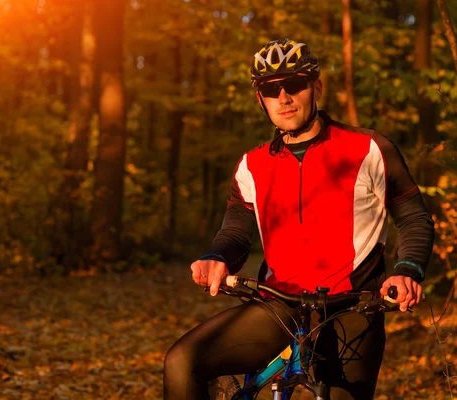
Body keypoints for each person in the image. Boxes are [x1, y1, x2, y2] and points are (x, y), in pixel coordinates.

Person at [163, 38, 435, 400]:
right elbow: (236, 232)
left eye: (294, 85)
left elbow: (414, 216)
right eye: (271, 90)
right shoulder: (251, 165)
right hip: (279, 304)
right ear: (261, 99)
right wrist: (217, 257)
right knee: (182, 360)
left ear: (316, 87)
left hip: (354, 308)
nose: (284, 98)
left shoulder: (369, 148)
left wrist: (408, 269)